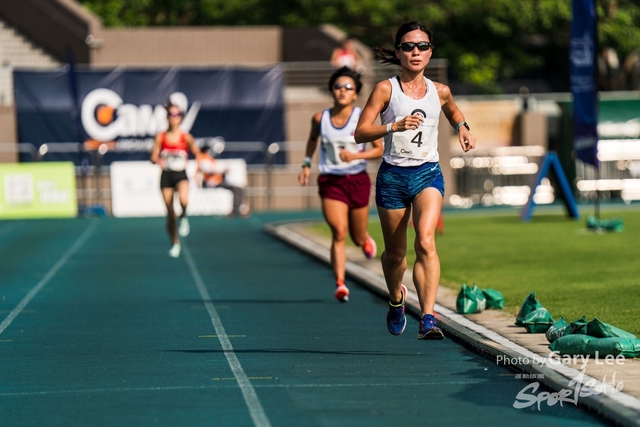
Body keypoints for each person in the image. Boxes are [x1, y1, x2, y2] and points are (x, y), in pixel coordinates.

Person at [354, 22, 476, 338]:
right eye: (408, 46)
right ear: (398, 52)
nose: (415, 52)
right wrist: (393, 126)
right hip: (393, 176)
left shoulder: (440, 90)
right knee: (395, 256)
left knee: (425, 240)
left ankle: (428, 317)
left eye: (422, 46)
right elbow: (360, 132)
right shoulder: (385, 89)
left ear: (430, 51)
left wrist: (463, 127)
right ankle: (396, 300)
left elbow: (452, 111)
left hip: (427, 174)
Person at [299, 66, 383, 302]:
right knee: (338, 231)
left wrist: (356, 156)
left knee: (356, 237)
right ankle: (340, 283)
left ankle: (364, 239)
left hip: (357, 180)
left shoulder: (361, 118)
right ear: (331, 91)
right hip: (331, 181)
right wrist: (306, 163)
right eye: (338, 87)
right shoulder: (320, 118)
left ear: (355, 93)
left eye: (349, 87)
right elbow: (312, 140)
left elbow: (378, 150)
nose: (343, 91)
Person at [150, 103, 201, 258]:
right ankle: (175, 243)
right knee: (170, 213)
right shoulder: (161, 137)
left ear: (181, 118)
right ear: (167, 117)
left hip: (180, 174)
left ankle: (184, 216)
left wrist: (198, 170)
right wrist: (157, 160)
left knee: (184, 200)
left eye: (177, 114)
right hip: (166, 176)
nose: (174, 118)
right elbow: (153, 156)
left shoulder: (186, 137)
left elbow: (198, 154)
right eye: (171, 115)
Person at [197, 145, 250, 218]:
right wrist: (223, 170)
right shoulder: (203, 160)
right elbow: (210, 170)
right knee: (236, 189)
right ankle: (235, 209)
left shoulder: (209, 159)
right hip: (212, 182)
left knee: (238, 188)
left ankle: (237, 208)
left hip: (217, 181)